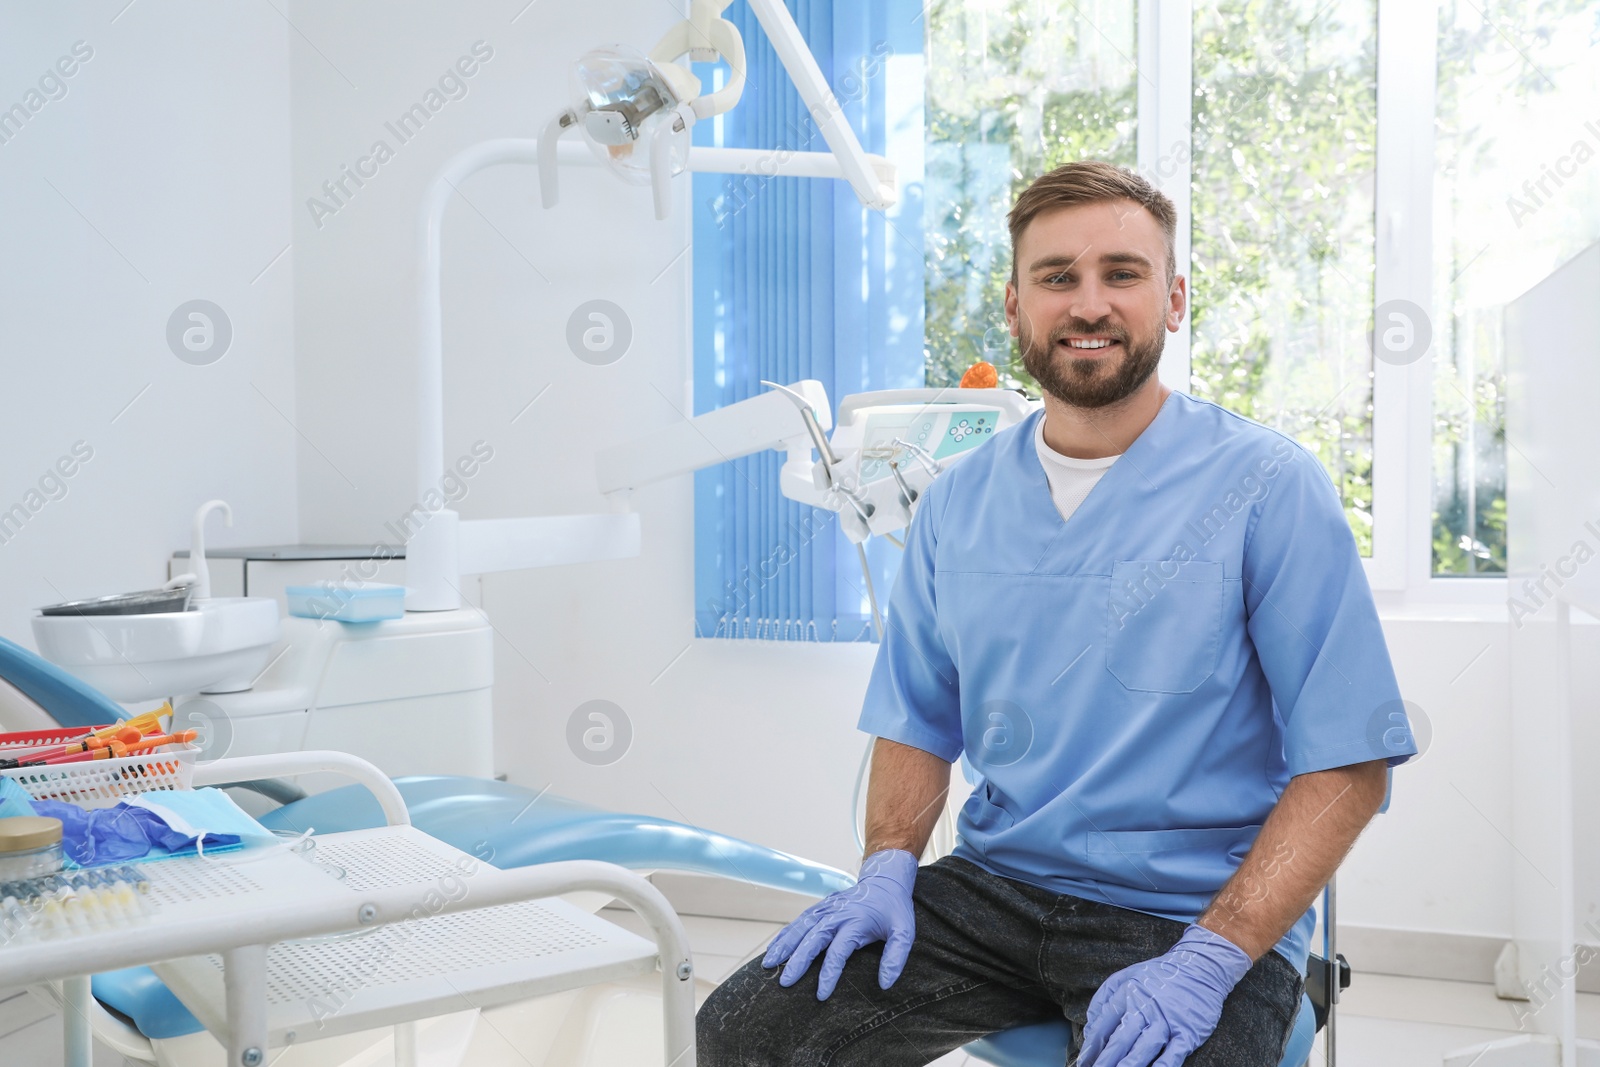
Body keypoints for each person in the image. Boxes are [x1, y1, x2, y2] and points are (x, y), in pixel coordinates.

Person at [696, 160, 1416, 1067]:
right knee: (747, 1031)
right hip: (995, 888)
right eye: (1056, 277)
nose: (1089, 303)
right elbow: (919, 719)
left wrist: (1213, 955)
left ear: (1175, 298)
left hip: (1191, 909)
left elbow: (1348, 765)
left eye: (1122, 272)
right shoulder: (959, 504)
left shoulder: (1268, 488)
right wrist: (888, 865)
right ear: (1013, 306)